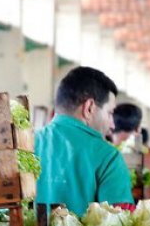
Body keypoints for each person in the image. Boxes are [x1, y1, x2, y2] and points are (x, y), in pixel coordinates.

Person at [35, 66, 132, 216]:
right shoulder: (109, 157)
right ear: (89, 108)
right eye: (110, 113)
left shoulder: (26, 145)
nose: (112, 124)